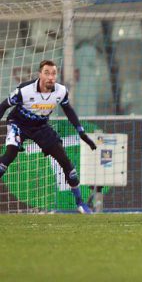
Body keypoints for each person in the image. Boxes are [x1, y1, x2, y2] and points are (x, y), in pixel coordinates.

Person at [0, 60, 97, 214]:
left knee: (65, 161)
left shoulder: (61, 91)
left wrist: (81, 132)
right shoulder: (24, 90)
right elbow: (4, 106)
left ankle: (80, 203)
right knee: (10, 154)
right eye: (47, 73)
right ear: (40, 74)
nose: (50, 77)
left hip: (41, 126)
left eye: (53, 73)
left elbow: (68, 109)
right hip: (19, 124)